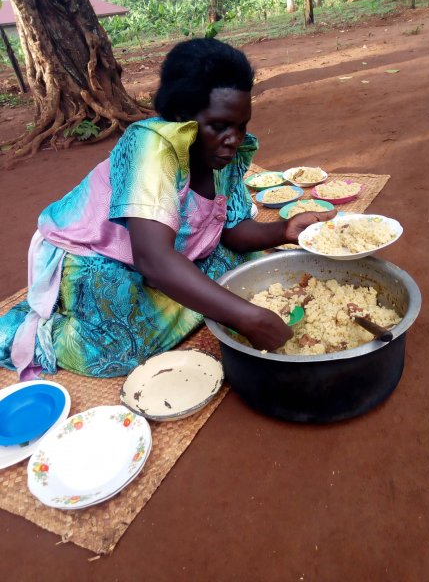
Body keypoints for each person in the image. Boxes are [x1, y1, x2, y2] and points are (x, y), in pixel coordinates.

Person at [0, 38, 334, 379]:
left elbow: (231, 231)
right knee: (117, 349)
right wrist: (248, 317)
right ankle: (29, 332)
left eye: (240, 125)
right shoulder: (151, 145)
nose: (233, 139)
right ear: (180, 117)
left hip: (164, 249)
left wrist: (284, 230)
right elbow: (152, 258)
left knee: (241, 267)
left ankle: (172, 299)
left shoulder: (227, 155)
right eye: (219, 126)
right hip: (96, 255)